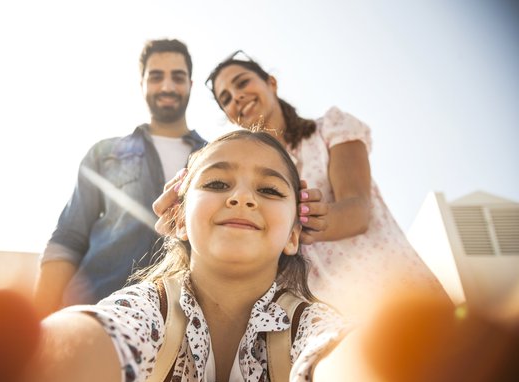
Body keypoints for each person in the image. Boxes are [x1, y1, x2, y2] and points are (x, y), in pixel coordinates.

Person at [0, 131, 517, 382]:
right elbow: (98, 338)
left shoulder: (307, 320)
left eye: (270, 191)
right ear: (179, 218)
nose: (242, 197)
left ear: (293, 237)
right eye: (218, 182)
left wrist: (400, 376)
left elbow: (335, 359)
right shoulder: (147, 305)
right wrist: (31, 375)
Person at [155, 50, 449, 318]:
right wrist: (191, 222)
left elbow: (358, 210)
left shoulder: (330, 129)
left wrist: (293, 219)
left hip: (391, 286)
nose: (237, 97)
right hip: (322, 313)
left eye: (242, 83)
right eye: (226, 98)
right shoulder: (242, 177)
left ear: (271, 82)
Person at [34, 39, 206, 317]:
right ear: (142, 84)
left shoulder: (214, 158)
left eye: (177, 77)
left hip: (182, 321)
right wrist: (39, 316)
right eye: (156, 76)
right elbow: (68, 237)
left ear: (190, 84)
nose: (167, 86)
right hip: (93, 310)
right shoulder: (105, 153)